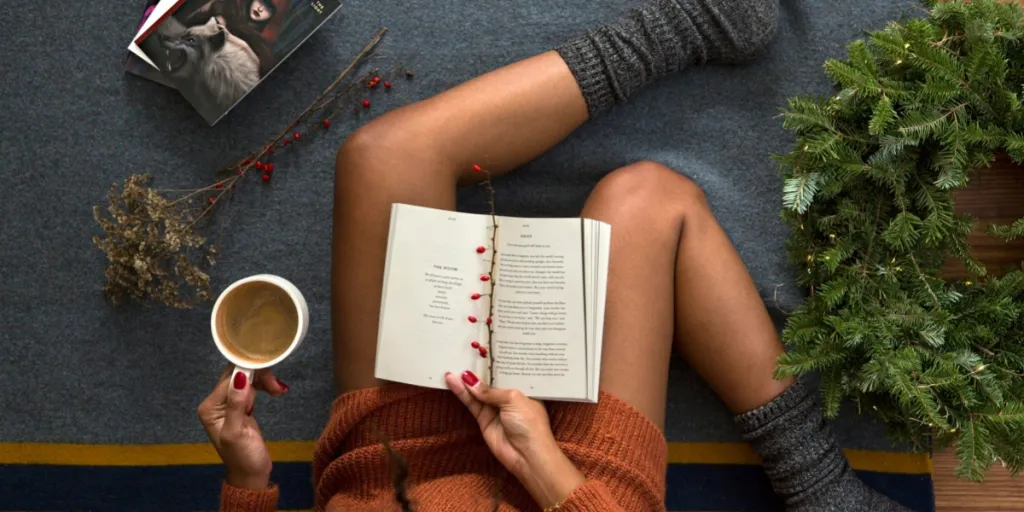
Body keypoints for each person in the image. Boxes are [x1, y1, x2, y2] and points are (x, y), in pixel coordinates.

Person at [198, 1, 912, 510]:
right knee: (647, 200)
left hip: (393, 465)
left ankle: (682, 26)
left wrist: (249, 481)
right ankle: (818, 486)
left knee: (384, 157)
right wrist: (543, 470)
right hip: (571, 489)